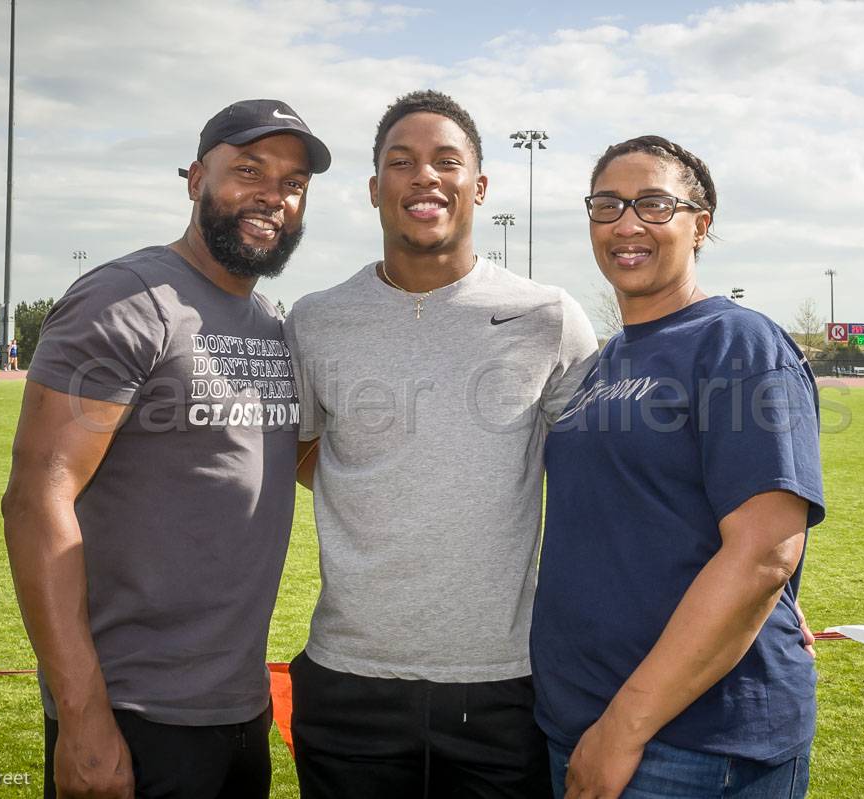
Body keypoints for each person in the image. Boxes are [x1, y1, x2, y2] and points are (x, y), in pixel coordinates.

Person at [1, 98, 330, 799]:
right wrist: (84, 716)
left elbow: (302, 465)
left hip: (240, 712)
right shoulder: (127, 299)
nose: (273, 194)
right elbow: (36, 499)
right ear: (194, 178)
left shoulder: (272, 324)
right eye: (248, 169)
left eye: (293, 182)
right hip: (132, 714)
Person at [285, 90, 599, 799]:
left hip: (503, 685)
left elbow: (607, 477)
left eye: (445, 161)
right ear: (374, 189)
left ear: (479, 186)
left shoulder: (549, 317)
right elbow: (304, 453)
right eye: (401, 162)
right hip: (348, 682)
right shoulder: (316, 320)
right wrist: (391, 483)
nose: (424, 176)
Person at [530, 136, 826, 799]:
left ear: (701, 224)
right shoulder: (605, 362)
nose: (626, 223)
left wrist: (623, 730)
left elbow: (762, 554)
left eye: (654, 204)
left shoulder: (739, 341)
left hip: (688, 745)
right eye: (607, 205)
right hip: (580, 723)